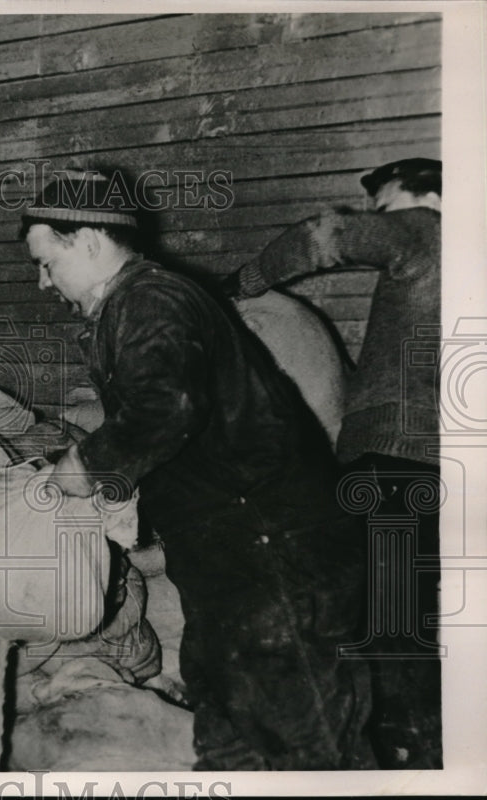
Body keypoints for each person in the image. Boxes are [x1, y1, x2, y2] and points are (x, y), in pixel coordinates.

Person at [21, 170, 375, 770]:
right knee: (228, 723)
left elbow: (165, 410)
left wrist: (87, 466)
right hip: (228, 557)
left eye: (46, 262)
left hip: (272, 551)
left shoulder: (150, 299)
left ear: (86, 240)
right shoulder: (130, 305)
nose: (41, 282)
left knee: (307, 737)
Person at [226, 157, 442, 769]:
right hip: (445, 464)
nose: (380, 216)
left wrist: (241, 283)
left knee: (381, 615)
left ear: (426, 195)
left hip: (393, 458)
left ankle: (404, 754)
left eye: (387, 203)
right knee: (414, 611)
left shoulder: (427, 230)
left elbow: (322, 237)